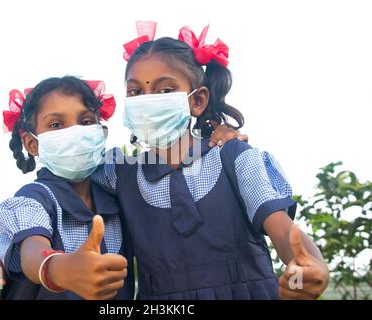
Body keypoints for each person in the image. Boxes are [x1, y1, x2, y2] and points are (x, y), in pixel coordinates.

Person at [89, 22, 329, 299]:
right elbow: (71, 173)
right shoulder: (119, 174)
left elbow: (285, 233)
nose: (147, 101)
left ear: (198, 100)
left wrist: (310, 270)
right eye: (135, 92)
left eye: (165, 90)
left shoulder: (234, 157)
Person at [0, 76, 134, 300]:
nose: (74, 133)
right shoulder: (34, 198)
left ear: (100, 132)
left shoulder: (114, 188)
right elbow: (32, 249)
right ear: (32, 144)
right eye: (56, 124)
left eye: (85, 122)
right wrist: (57, 268)